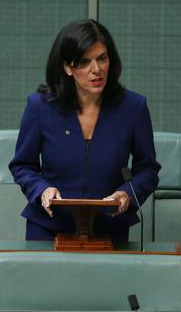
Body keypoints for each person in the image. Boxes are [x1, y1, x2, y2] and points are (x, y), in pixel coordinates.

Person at [9, 19, 161, 241]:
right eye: (84, 62)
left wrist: (127, 194)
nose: (96, 70)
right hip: (48, 227)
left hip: (110, 228)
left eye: (102, 58)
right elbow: (23, 165)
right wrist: (42, 190)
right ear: (67, 67)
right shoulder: (40, 107)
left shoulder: (133, 108)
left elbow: (147, 169)